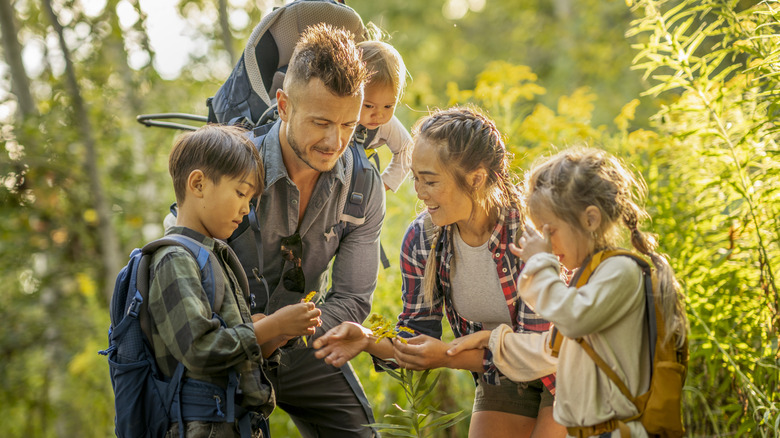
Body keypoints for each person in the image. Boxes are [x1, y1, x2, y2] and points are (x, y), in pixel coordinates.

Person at [314, 107, 566, 438]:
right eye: (415, 177)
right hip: (502, 374)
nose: (419, 191)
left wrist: (446, 357)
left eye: (430, 180)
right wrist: (366, 339)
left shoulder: (527, 235)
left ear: (475, 178)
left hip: (567, 368)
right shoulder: (424, 239)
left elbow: (536, 351)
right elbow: (418, 336)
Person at [448, 147, 689, 437]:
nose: (547, 245)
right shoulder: (590, 277)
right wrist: (493, 341)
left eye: (550, 232)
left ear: (590, 220)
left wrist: (540, 263)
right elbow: (552, 350)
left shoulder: (621, 273)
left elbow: (573, 319)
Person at [226, 23, 385, 438]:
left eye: (349, 125)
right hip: (227, 344)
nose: (335, 142)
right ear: (283, 105)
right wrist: (257, 329)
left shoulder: (364, 185)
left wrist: (285, 332)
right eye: (320, 122)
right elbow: (189, 274)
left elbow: (351, 298)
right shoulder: (231, 167)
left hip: (305, 343)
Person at [150, 124, 322, 437]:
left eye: (251, 200)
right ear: (198, 184)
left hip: (236, 422)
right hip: (201, 426)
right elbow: (200, 350)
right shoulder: (174, 259)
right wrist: (273, 326)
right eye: (241, 193)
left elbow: (235, 353)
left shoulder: (215, 256)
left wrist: (274, 339)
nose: (246, 208)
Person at [355, 40, 412, 192]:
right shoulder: (334, 114)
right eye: (368, 106)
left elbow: (407, 150)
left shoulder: (384, 124)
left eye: (388, 106)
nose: (379, 115)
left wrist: (380, 187)